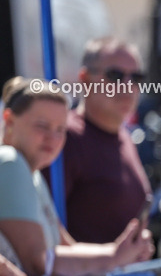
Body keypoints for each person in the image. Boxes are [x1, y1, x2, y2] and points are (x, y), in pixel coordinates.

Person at [0, 77, 153, 276]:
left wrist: (122, 253)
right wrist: (113, 257)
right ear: (9, 120)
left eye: (61, 130)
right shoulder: (9, 161)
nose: (52, 138)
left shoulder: (31, 173)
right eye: (42, 126)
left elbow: (67, 248)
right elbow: (39, 262)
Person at [41, 37, 152, 244]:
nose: (128, 86)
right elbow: (43, 236)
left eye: (136, 77)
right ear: (85, 78)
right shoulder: (66, 137)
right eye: (115, 75)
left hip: (124, 274)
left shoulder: (124, 137)